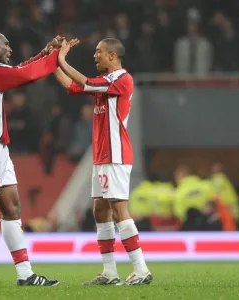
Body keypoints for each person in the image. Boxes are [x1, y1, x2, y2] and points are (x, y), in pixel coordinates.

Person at [54, 38, 152, 286]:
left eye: (98, 53)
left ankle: (141, 270)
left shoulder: (121, 79)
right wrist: (52, 61)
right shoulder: (104, 85)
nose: (95, 56)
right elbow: (72, 86)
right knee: (100, 210)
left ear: (112, 55)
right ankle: (110, 272)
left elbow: (84, 81)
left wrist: (62, 60)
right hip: (102, 156)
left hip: (115, 155)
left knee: (119, 210)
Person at [0, 31, 62, 286]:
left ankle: (25, 274)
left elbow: (19, 69)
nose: (10, 49)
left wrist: (43, 54)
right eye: (6, 44)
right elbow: (26, 75)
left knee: (12, 209)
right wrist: (56, 57)